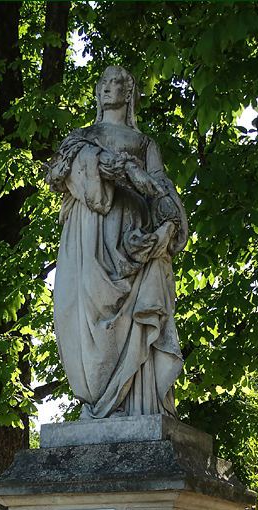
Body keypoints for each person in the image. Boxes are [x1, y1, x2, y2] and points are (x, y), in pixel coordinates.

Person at [46, 65, 188, 419]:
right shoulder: (81, 137)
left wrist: (168, 226)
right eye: (104, 83)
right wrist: (102, 164)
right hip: (88, 236)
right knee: (80, 313)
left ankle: (134, 401)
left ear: (130, 94)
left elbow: (161, 189)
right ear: (98, 92)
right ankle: (98, 400)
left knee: (135, 317)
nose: (110, 88)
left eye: (119, 83)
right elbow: (57, 175)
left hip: (132, 236)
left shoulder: (144, 143)